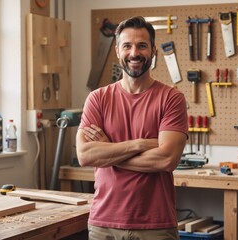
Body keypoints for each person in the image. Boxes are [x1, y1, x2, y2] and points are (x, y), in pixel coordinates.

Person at [76, 16, 188, 240]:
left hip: (155, 225)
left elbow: (166, 160)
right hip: (104, 224)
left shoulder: (171, 99)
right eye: (127, 46)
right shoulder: (97, 99)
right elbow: (85, 155)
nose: (134, 53)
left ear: (153, 51)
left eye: (142, 45)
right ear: (118, 51)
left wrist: (109, 151)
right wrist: (139, 144)